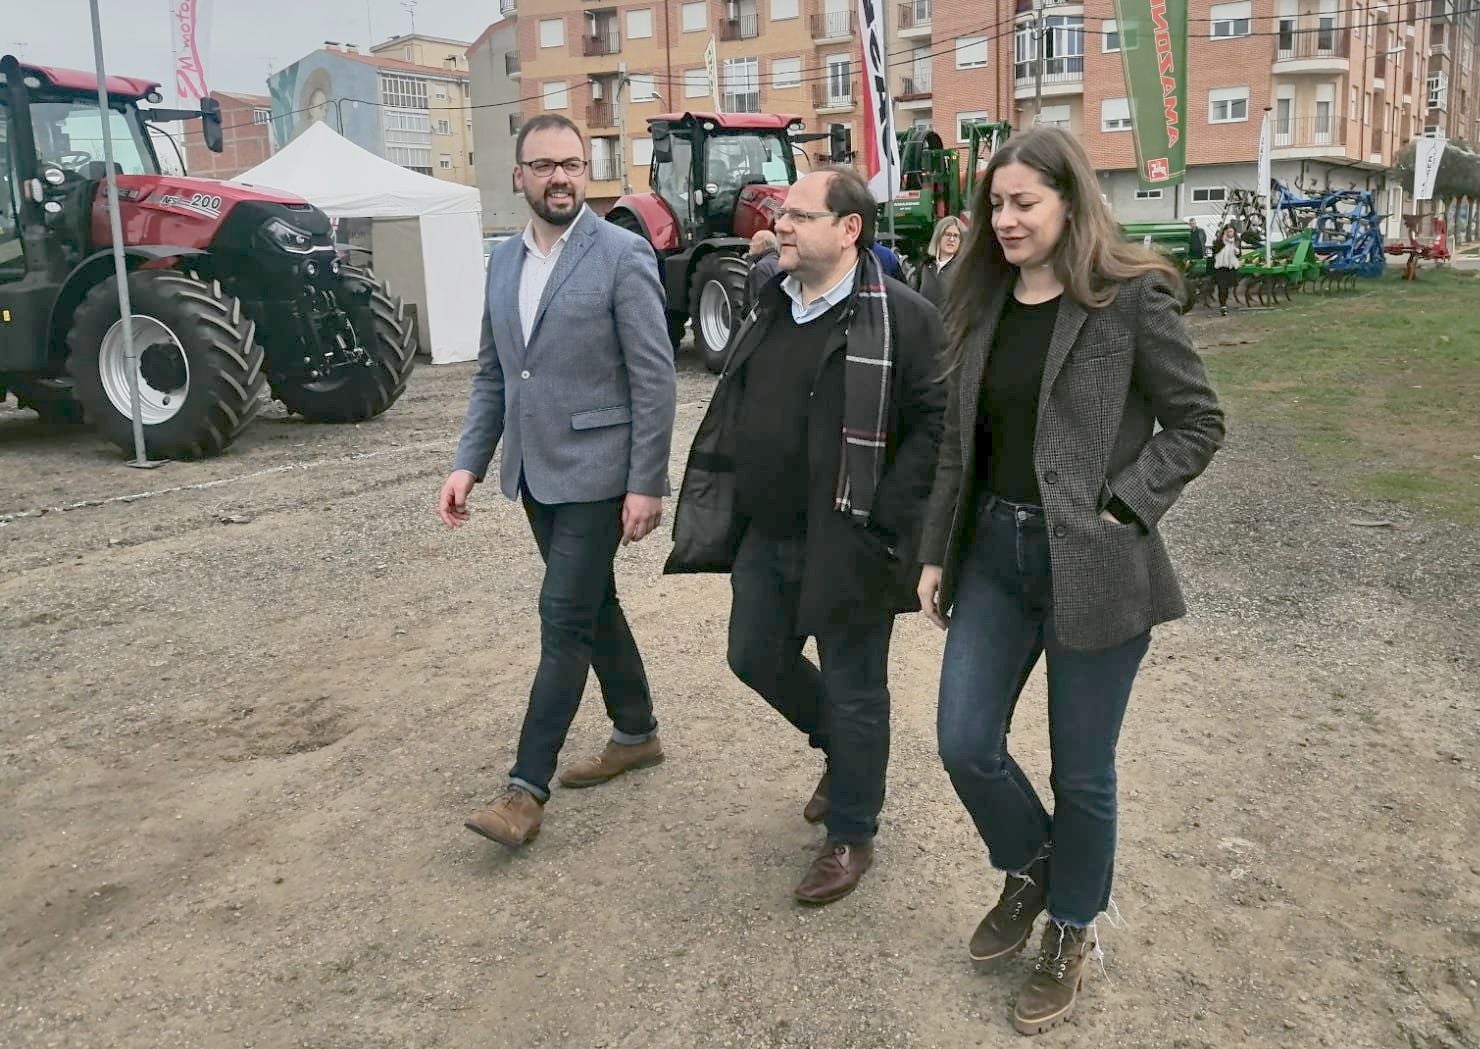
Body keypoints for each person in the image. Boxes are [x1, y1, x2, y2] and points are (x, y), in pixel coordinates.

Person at [915, 128, 1224, 1035]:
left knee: (1082, 771)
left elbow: (1198, 421)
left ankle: (1071, 925)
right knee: (964, 741)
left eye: (1025, 202)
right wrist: (935, 553)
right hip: (993, 556)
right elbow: (955, 446)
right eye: (997, 204)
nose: (1007, 220)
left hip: (1095, 564)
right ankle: (1035, 864)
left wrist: (1128, 504)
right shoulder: (977, 298)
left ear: (1069, 201)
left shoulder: (1130, 300)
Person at [665, 166, 945, 905]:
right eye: (782, 213)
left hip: (852, 535)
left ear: (849, 229)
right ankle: (842, 755)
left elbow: (936, 426)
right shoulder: (771, 300)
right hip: (769, 529)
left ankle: (852, 831)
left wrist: (887, 519)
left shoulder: (906, 318)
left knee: (855, 689)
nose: (779, 225)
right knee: (753, 654)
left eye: (798, 215)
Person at [438, 114, 678, 849]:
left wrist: (646, 482)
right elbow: (495, 374)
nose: (561, 178)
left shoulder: (622, 254)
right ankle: (636, 731)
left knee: (563, 617)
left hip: (600, 473)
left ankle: (525, 788)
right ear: (520, 176)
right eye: (544, 166)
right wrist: (468, 462)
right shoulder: (503, 262)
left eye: (572, 164)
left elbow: (654, 377)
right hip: (535, 475)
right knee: (594, 605)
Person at [912, 215, 965, 309]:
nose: (951, 239)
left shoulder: (964, 268)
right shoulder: (924, 266)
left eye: (956, 236)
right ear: (938, 236)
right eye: (947, 234)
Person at [745, 229, 782, 306]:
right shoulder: (782, 264)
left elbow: (760, 304)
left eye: (753, 241)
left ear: (763, 244)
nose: (750, 244)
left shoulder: (760, 267)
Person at [1212, 223, 1241, 316]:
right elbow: (1215, 251)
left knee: (1227, 287)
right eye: (1228, 231)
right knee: (1222, 287)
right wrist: (1223, 242)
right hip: (1221, 267)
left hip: (1231, 267)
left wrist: (1237, 251)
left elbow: (1239, 254)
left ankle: (1224, 303)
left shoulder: (1236, 241)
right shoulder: (1219, 241)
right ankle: (1223, 306)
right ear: (1224, 232)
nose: (1229, 233)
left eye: (1231, 231)